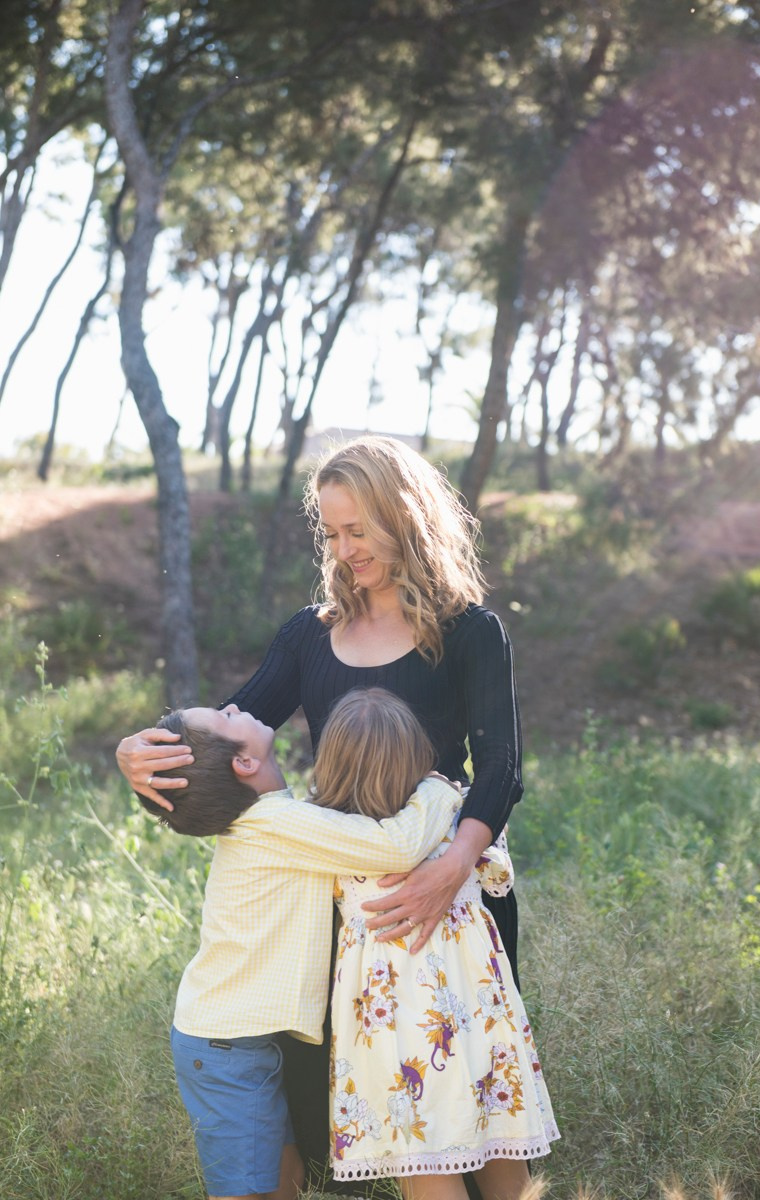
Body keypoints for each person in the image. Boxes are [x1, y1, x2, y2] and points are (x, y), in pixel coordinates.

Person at [116, 434, 524, 1180]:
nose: (343, 549)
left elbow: (501, 767)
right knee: (370, 1101)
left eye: (357, 530)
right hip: (354, 902)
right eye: (331, 533)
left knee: (478, 1092)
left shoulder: (469, 631)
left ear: (404, 517)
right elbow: (226, 740)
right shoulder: (310, 635)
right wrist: (132, 753)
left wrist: (449, 869)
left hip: (454, 890)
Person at [139, 699, 460, 1200]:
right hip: (223, 1046)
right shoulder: (274, 822)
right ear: (244, 762)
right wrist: (438, 789)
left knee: (282, 1180)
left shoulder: (277, 815)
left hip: (236, 1043)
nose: (235, 704)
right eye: (226, 717)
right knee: (245, 1192)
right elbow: (395, 846)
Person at [312, 688, 559, 1199]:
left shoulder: (329, 840)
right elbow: (498, 879)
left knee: (422, 1155)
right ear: (417, 757)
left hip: (393, 1029)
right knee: (502, 1144)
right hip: (477, 1012)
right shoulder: (457, 819)